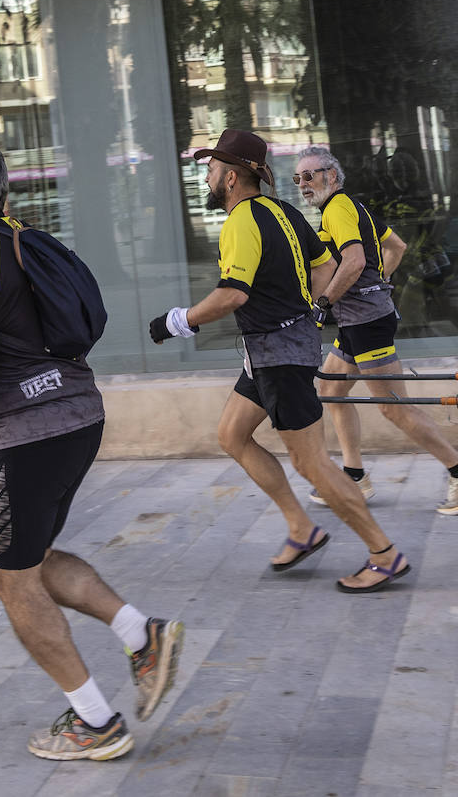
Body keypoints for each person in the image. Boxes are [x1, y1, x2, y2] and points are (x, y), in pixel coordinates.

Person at [0, 140, 182, 760]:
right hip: (81, 416)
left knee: (10, 580)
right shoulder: (29, 240)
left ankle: (95, 721)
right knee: (34, 559)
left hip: (30, 434)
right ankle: (143, 635)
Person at [149, 129, 411, 593]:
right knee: (232, 434)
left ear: (230, 177)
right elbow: (324, 265)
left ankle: (383, 552)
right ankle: (301, 528)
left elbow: (233, 293)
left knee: (312, 463)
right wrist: (309, 307)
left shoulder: (242, 221)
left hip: (278, 356)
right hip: (271, 350)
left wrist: (179, 321)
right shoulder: (282, 210)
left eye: (211, 169)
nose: (207, 177)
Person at [292, 146, 458, 515]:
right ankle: (355, 476)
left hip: (366, 325)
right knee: (330, 388)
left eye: (309, 176)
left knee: (395, 409)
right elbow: (397, 245)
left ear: (331, 175)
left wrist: (324, 302)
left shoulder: (338, 209)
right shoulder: (352, 206)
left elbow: (355, 259)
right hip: (358, 320)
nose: (302, 185)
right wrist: (380, 283)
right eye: (297, 179)